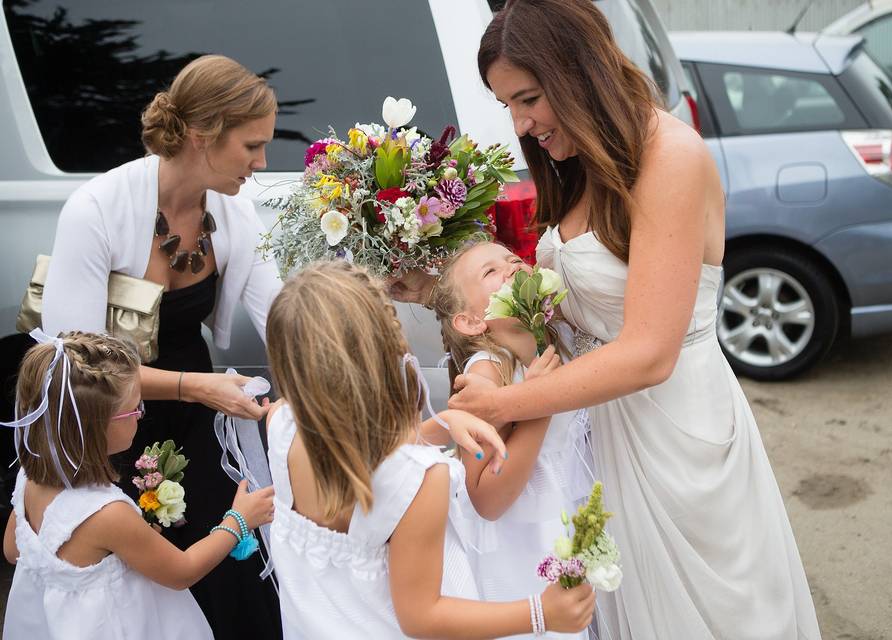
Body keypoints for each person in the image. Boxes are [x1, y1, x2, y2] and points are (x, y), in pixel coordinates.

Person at [445, 1, 823, 638]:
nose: (520, 122)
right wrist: (443, 295)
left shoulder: (671, 158)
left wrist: (506, 405)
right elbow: (563, 308)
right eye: (507, 104)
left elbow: (650, 353)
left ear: (579, 71)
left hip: (675, 431)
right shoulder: (579, 162)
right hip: (602, 430)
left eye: (529, 97)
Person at [40, 55, 284, 636]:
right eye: (251, 146)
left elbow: (284, 317)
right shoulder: (96, 211)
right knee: (144, 577)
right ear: (201, 138)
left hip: (196, 416)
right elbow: (68, 358)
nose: (262, 162)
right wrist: (195, 387)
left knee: (230, 564)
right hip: (108, 423)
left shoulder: (236, 215)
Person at [263, 260, 595, 639]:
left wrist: (443, 424)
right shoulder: (420, 479)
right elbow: (421, 617)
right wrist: (541, 613)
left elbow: (354, 443)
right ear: (382, 345)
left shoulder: (281, 424)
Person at [1, 331, 274, 639]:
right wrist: (239, 519)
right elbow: (182, 571)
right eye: (134, 409)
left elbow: (13, 550)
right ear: (97, 428)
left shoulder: (29, 478)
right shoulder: (106, 513)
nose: (141, 415)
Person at [430, 241, 593, 640]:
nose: (511, 267)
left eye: (513, 259)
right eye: (490, 272)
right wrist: (539, 401)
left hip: (578, 508)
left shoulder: (563, 340)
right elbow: (487, 498)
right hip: (526, 544)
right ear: (470, 322)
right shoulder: (486, 372)